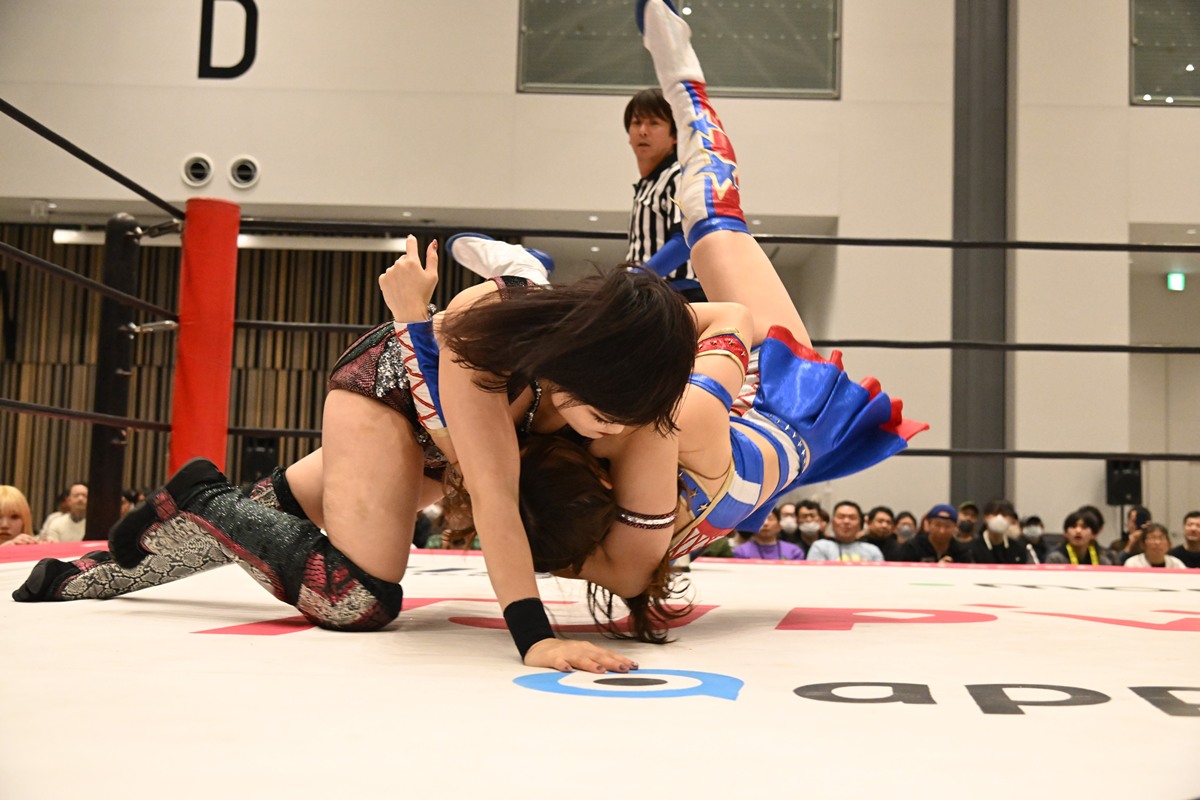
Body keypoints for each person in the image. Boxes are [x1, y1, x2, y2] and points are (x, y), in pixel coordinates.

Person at [13, 237, 700, 673]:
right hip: (387, 404)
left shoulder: (627, 354)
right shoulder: (487, 342)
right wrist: (535, 638)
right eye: (606, 411)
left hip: (439, 440)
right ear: (585, 360)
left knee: (268, 519)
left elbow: (734, 317)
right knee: (357, 598)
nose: (613, 430)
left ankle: (80, 578)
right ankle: (205, 501)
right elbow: (493, 498)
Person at [510, 0, 925, 642]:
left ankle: (525, 283)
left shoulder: (593, 552)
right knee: (712, 219)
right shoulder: (675, 425)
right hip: (776, 396)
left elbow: (504, 491)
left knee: (542, 393)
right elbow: (732, 318)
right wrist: (625, 317)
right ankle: (686, 86)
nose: (592, 428)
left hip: (744, 448)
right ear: (601, 471)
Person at [623, 87, 704, 301]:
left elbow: (685, 241)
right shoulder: (648, 184)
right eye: (636, 123)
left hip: (677, 295)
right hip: (653, 293)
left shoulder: (678, 175)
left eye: (654, 123)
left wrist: (635, 279)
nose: (643, 131)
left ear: (675, 135)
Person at [806, 501, 883, 562]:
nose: (846, 521)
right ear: (832, 523)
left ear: (861, 524)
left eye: (852, 518)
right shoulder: (820, 547)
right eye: (841, 517)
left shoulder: (872, 551)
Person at [895, 504, 973, 563]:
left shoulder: (961, 552)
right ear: (928, 524)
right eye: (937, 525)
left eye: (947, 526)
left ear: (955, 527)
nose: (942, 531)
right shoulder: (912, 548)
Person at [1044, 509, 1117, 566]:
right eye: (1073, 526)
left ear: (1094, 534)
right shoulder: (1056, 559)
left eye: (1084, 527)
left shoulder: (1102, 561)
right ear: (1065, 533)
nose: (1078, 531)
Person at [968, 499, 1029, 565]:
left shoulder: (1018, 549)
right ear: (985, 518)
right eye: (995, 514)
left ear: (1011, 519)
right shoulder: (972, 548)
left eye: (1004, 515)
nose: (999, 518)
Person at [732, 508, 804, 560]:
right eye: (761, 519)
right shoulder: (741, 552)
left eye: (770, 519)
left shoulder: (794, 551)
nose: (765, 523)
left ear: (779, 526)